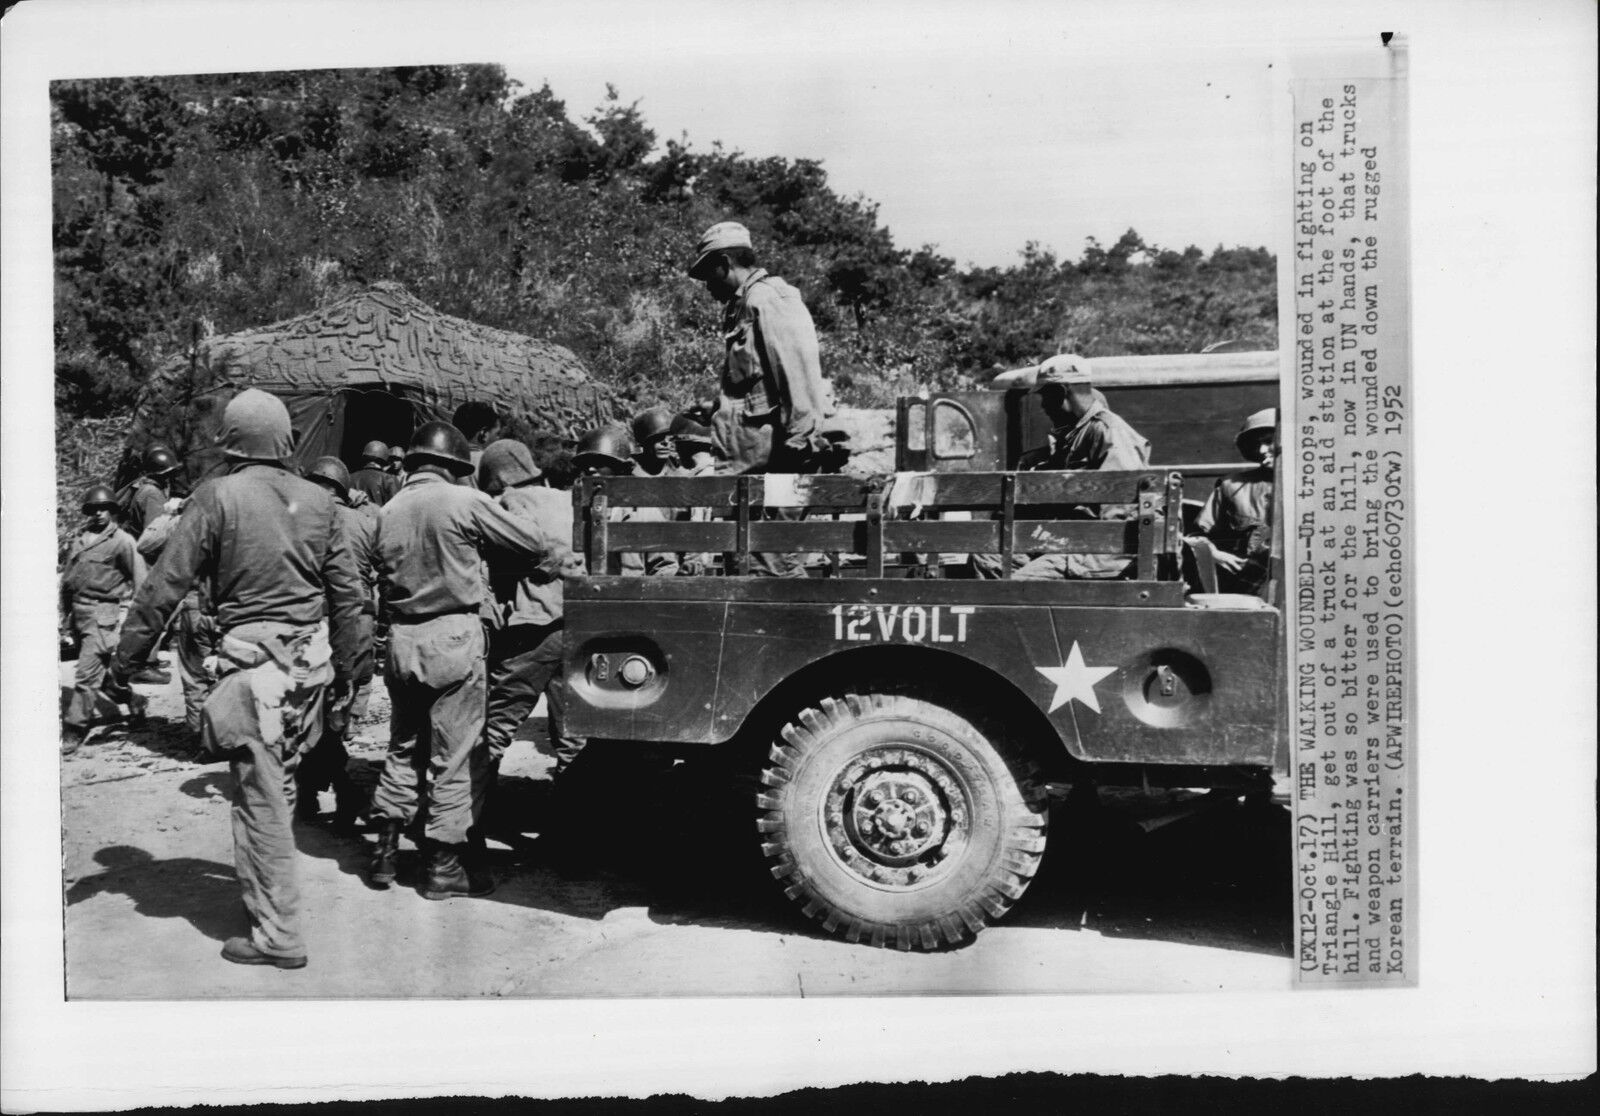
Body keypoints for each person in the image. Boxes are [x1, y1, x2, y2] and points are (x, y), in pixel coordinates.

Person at [105, 388, 364, 969]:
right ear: (284, 441)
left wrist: (124, 665)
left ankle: (277, 935)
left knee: (260, 800)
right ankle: (272, 898)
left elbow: (164, 587)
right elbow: (351, 600)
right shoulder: (322, 503)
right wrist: (353, 672)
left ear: (231, 441)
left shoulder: (217, 496)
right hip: (309, 669)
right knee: (283, 786)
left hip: (254, 673)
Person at [367, 421, 577, 899]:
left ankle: (383, 853)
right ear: (453, 465)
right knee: (455, 755)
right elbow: (529, 543)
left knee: (403, 745)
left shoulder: (388, 510)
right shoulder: (464, 502)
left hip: (401, 640)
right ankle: (444, 868)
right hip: (452, 637)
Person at [688, 220, 833, 575]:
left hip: (780, 467)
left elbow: (797, 375)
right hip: (753, 470)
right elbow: (757, 387)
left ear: (725, 262)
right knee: (748, 570)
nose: (707, 287)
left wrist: (802, 448)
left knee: (771, 571)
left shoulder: (770, 299)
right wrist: (718, 409)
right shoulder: (747, 304)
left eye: (709, 274)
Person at [476, 439, 582, 786]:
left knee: (495, 727)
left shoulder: (508, 502)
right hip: (580, 627)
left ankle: (468, 822)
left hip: (532, 630)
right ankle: (568, 822)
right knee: (573, 737)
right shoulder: (568, 499)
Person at [1009, 354, 1152, 581]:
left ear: (1061, 393)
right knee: (987, 559)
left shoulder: (1107, 431)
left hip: (1102, 549)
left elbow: (1120, 507)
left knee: (1017, 586)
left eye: (1045, 397)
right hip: (1073, 541)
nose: (1044, 406)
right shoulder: (1076, 434)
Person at [294, 456, 380, 829]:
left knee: (312, 716)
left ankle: (332, 790)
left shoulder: (302, 518)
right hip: (358, 622)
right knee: (333, 713)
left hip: (318, 623)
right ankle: (335, 791)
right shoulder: (367, 517)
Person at [60, 484, 146, 753]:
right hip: (78, 612)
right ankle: (133, 700)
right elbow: (68, 580)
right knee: (99, 674)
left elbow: (141, 581)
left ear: (113, 510)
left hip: (103, 613)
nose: (98, 513)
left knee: (86, 675)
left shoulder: (123, 541)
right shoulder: (80, 538)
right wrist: (65, 618)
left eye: (104, 508)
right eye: (93, 509)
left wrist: (136, 618)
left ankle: (74, 729)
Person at [135, 492, 216, 749]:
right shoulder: (237, 522)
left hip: (195, 606)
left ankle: (205, 740)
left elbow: (146, 544)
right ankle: (231, 735)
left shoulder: (183, 525)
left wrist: (171, 513)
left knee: (195, 678)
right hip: (232, 607)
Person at [1186, 407, 1277, 595]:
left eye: (1269, 442)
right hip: (1249, 592)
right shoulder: (1232, 486)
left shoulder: (1323, 488)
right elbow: (1196, 536)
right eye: (1258, 444)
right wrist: (1214, 554)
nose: (1261, 450)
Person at [573, 427, 680, 578]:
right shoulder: (578, 513)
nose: (590, 469)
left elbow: (663, 565)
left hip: (632, 595)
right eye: (585, 464)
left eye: (599, 463)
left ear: (618, 468)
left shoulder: (642, 512)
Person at [121, 444, 183, 539]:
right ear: (165, 475)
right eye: (171, 473)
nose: (173, 477)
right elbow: (154, 535)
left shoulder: (145, 487)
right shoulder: (152, 494)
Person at [451, 401, 504, 477]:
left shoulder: (444, 459)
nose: (499, 439)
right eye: (497, 434)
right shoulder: (490, 465)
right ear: (483, 433)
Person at [350, 440, 400, 506]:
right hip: (377, 515)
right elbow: (396, 507)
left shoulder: (350, 477)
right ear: (384, 460)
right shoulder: (389, 479)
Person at [630, 407, 677, 477]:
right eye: (658, 438)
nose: (666, 442)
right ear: (643, 442)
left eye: (669, 437)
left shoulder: (678, 471)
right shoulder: (627, 471)